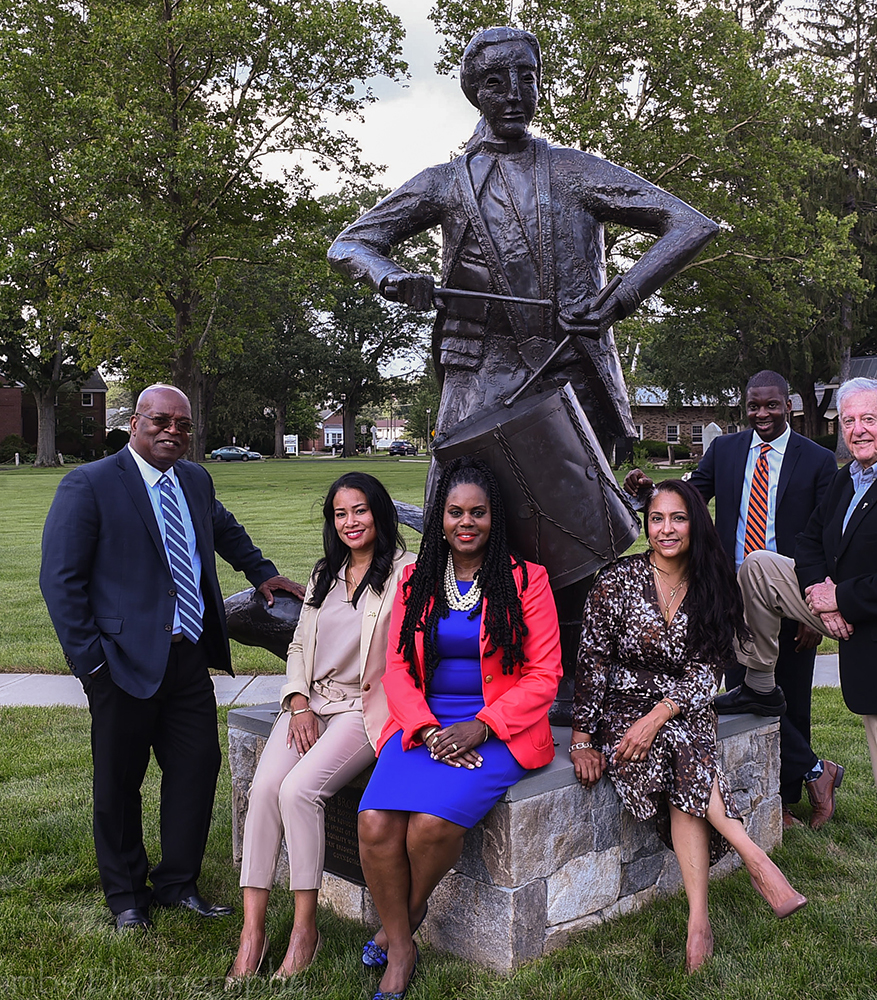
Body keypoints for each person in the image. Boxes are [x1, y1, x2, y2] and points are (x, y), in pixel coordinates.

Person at [329, 25, 718, 468]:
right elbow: (351, 243)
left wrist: (617, 302)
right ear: (475, 92)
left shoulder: (576, 171)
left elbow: (690, 225)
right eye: (496, 82)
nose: (515, 94)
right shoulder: (446, 182)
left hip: (571, 368)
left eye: (527, 78)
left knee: (580, 524)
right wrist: (393, 278)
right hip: (479, 371)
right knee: (459, 508)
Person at [38, 384, 305, 932]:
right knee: (119, 781)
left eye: (183, 425)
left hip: (188, 659)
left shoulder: (195, 479)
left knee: (195, 770)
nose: (173, 431)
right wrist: (92, 665)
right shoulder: (88, 484)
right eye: (161, 420)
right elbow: (60, 582)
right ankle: (126, 896)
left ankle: (178, 884)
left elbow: (222, 528)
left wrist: (260, 571)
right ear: (135, 422)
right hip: (120, 662)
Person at [735, 377, 877, 916]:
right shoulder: (847, 479)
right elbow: (809, 541)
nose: (857, 430)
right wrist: (821, 594)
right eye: (849, 421)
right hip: (843, 609)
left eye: (869, 420)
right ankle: (759, 685)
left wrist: (843, 599)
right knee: (762, 566)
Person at [571, 479, 807, 974]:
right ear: (647, 524)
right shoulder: (617, 582)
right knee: (684, 751)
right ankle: (752, 857)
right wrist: (581, 738)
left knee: (677, 739)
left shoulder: (710, 583)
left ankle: (699, 920)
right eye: (657, 519)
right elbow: (592, 661)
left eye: (677, 518)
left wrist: (661, 713)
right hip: (623, 713)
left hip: (680, 708)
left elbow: (709, 671)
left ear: (694, 523)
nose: (666, 529)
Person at [357, 457, 561, 999]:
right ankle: (403, 945)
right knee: (375, 821)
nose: (465, 523)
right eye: (454, 512)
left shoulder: (527, 581)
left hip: (500, 728)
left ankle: (405, 917)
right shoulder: (415, 580)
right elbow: (397, 669)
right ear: (439, 518)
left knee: (430, 825)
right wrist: (425, 728)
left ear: (495, 518)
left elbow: (545, 676)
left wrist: (482, 725)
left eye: (478, 512)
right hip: (424, 724)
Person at [625, 370, 843, 830]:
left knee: (792, 698)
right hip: (731, 595)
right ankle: (810, 778)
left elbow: (826, 535)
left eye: (771, 405)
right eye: (753, 405)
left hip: (790, 591)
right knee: (747, 695)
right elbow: (689, 496)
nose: (761, 414)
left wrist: (811, 607)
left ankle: (789, 794)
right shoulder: (725, 450)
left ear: (788, 406)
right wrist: (649, 493)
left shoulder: (818, 460)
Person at [225, 473, 415, 985]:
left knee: (298, 790)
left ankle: (305, 930)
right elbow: (298, 647)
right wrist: (297, 699)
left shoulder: (406, 574)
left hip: (362, 710)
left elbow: (408, 656)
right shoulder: (324, 574)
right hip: (311, 703)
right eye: (340, 513)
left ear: (379, 513)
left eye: (360, 510)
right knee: (264, 789)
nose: (350, 522)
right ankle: (253, 932)